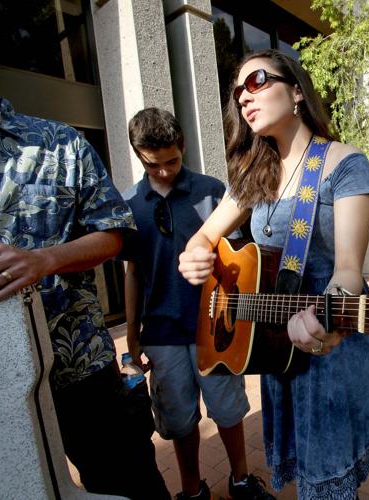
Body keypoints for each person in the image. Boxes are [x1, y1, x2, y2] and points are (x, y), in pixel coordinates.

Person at [178, 49, 369, 499]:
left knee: (328, 485)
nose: (244, 97)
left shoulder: (343, 164)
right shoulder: (252, 175)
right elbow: (202, 238)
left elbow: (348, 271)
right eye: (238, 90)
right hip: (278, 348)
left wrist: (323, 314)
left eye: (257, 81)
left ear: (296, 90)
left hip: (328, 344)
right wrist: (195, 255)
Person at [0, 17, 169, 499]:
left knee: (128, 483)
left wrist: (44, 260)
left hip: (77, 370)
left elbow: (117, 234)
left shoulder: (57, 143)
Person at [119, 108, 273, 500]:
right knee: (178, 419)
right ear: (138, 154)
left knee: (228, 409)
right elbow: (133, 274)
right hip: (161, 333)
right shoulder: (129, 205)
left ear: (183, 146)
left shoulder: (212, 191)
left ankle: (239, 479)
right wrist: (133, 338)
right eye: (154, 165)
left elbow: (238, 255)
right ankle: (191, 489)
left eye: (172, 160)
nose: (166, 171)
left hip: (215, 326)